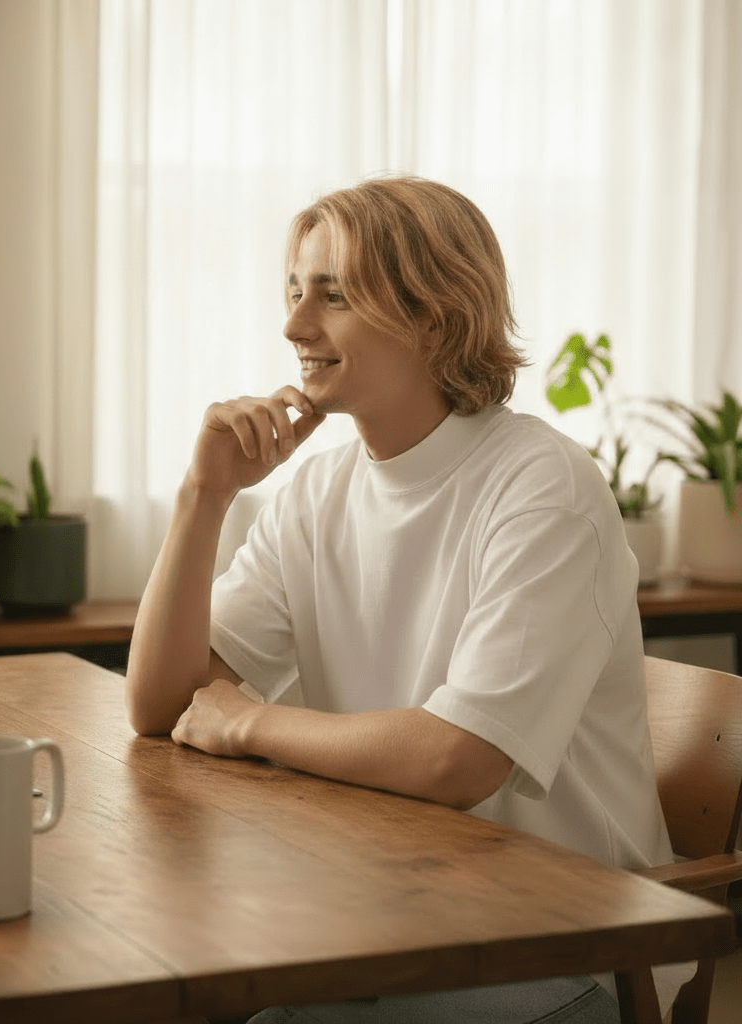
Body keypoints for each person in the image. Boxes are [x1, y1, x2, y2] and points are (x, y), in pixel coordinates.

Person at [124, 176, 675, 1024]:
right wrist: (204, 495)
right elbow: (160, 705)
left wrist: (250, 721)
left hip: (571, 941)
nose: (294, 325)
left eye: (334, 295)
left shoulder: (541, 486)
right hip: (396, 910)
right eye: (295, 291)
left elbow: (460, 759)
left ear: (434, 315)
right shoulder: (316, 492)